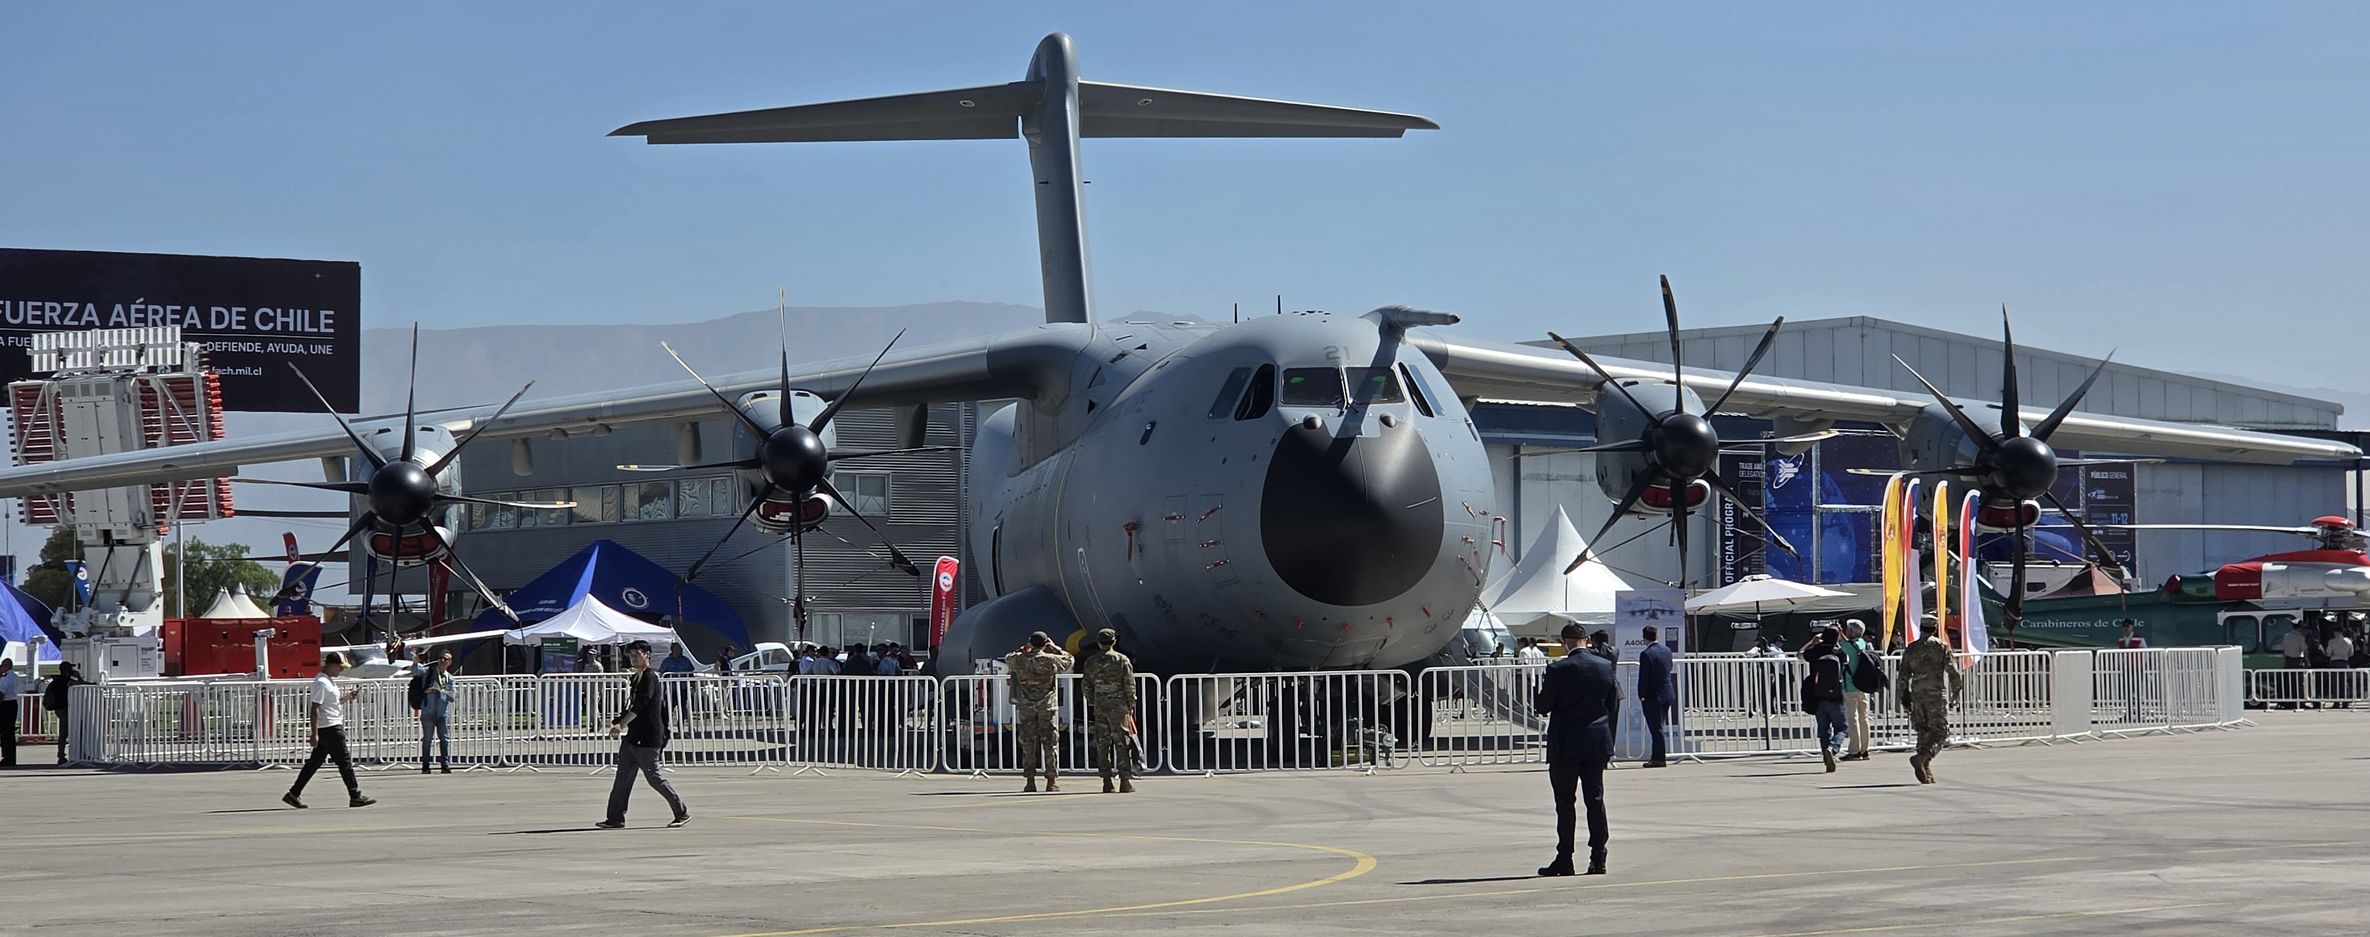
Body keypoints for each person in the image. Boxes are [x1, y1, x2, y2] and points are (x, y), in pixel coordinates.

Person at [1535, 622, 1618, 877]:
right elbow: (1612, 703)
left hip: (1566, 742)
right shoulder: (1605, 666)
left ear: (1564, 642)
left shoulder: (1558, 668)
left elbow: (1543, 706)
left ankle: (1565, 858)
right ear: (1587, 640)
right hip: (1595, 740)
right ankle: (1598, 857)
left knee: (1565, 802)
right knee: (1595, 800)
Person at [599, 640, 690, 829]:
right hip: (633, 738)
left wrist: (622, 725)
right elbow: (632, 705)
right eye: (630, 654)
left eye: (637, 654)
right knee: (622, 780)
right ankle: (615, 819)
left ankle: (681, 812)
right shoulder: (636, 678)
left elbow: (642, 703)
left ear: (648, 655)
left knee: (654, 778)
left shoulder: (650, 677)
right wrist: (618, 720)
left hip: (648, 739)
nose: (633, 657)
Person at [284, 652, 375, 809]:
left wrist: (345, 699)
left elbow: (330, 703)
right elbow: (315, 708)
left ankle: (294, 793)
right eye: (340, 668)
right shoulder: (321, 683)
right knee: (344, 761)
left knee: (314, 763)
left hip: (329, 726)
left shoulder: (328, 681)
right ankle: (355, 795)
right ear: (332, 665)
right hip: (330, 727)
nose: (341, 671)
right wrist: (314, 733)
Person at [1003, 631, 1072, 792]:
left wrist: (1022, 650)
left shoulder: (1019, 660)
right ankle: (1051, 780)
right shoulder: (1051, 660)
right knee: (1050, 743)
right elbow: (1069, 660)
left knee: (1028, 743)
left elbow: (1008, 658)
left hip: (1027, 706)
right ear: (1045, 644)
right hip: (1046, 706)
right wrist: (1055, 648)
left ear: (1030, 643)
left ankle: (1030, 781)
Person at [1898, 617, 1962, 785]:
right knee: (1941, 732)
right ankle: (1922, 757)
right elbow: (1953, 671)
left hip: (1918, 695)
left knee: (1923, 731)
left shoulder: (1911, 648)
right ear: (1934, 629)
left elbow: (1903, 676)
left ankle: (1926, 770)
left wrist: (1904, 696)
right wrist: (1956, 692)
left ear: (1920, 628)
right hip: (1935, 695)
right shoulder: (1940, 646)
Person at [1079, 629, 1139, 793]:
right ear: (1114, 642)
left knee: (1103, 743)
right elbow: (1129, 684)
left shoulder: (1091, 661)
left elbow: (1086, 685)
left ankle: (1107, 781)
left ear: (1099, 642)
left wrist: (1094, 701)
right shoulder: (1121, 660)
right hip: (1119, 707)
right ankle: (1125, 781)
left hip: (1101, 706)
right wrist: (1130, 704)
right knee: (1122, 743)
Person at [1799, 627, 1849, 772]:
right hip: (1836, 696)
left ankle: (1826, 757)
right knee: (1841, 727)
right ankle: (1833, 749)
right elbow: (1847, 661)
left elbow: (1799, 655)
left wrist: (1812, 642)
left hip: (1817, 696)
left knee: (1823, 729)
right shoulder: (1838, 652)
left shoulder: (1815, 651)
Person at [411, 649, 457, 774]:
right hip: (428, 711)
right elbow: (415, 671)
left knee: (444, 739)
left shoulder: (450, 678)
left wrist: (439, 692)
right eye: (441, 658)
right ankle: (426, 765)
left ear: (449, 662)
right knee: (427, 739)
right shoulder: (429, 672)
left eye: (445, 659)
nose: (442, 661)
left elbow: (452, 696)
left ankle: (445, 765)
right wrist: (415, 662)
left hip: (442, 712)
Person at [1635, 625, 1674, 768]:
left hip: (1653, 695)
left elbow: (1643, 677)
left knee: (1655, 728)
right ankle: (1657, 756)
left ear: (1644, 638)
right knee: (1659, 726)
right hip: (1667, 692)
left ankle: (1658, 758)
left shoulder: (1646, 654)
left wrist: (1641, 694)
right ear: (1657, 636)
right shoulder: (1667, 651)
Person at [1839, 620, 1876, 761]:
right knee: (1864, 718)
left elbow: (1842, 645)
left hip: (1851, 685)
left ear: (1851, 631)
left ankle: (1854, 750)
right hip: (1863, 686)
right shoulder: (1862, 643)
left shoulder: (1846, 645)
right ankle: (1864, 749)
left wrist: (1839, 633)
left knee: (1852, 719)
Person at [42, 662, 87, 765]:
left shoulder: (56, 681)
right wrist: (79, 676)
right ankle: (69, 755)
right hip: (64, 709)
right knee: (69, 731)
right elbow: (82, 684)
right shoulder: (66, 681)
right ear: (67, 670)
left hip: (59, 709)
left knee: (64, 733)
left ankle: (62, 755)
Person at [0, 657, 19, 768]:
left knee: (5, 732)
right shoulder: (15, 676)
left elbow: (1, 694)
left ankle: (7, 757)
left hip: (6, 705)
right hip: (13, 703)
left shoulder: (6, 678)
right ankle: (10, 757)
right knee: (9, 733)